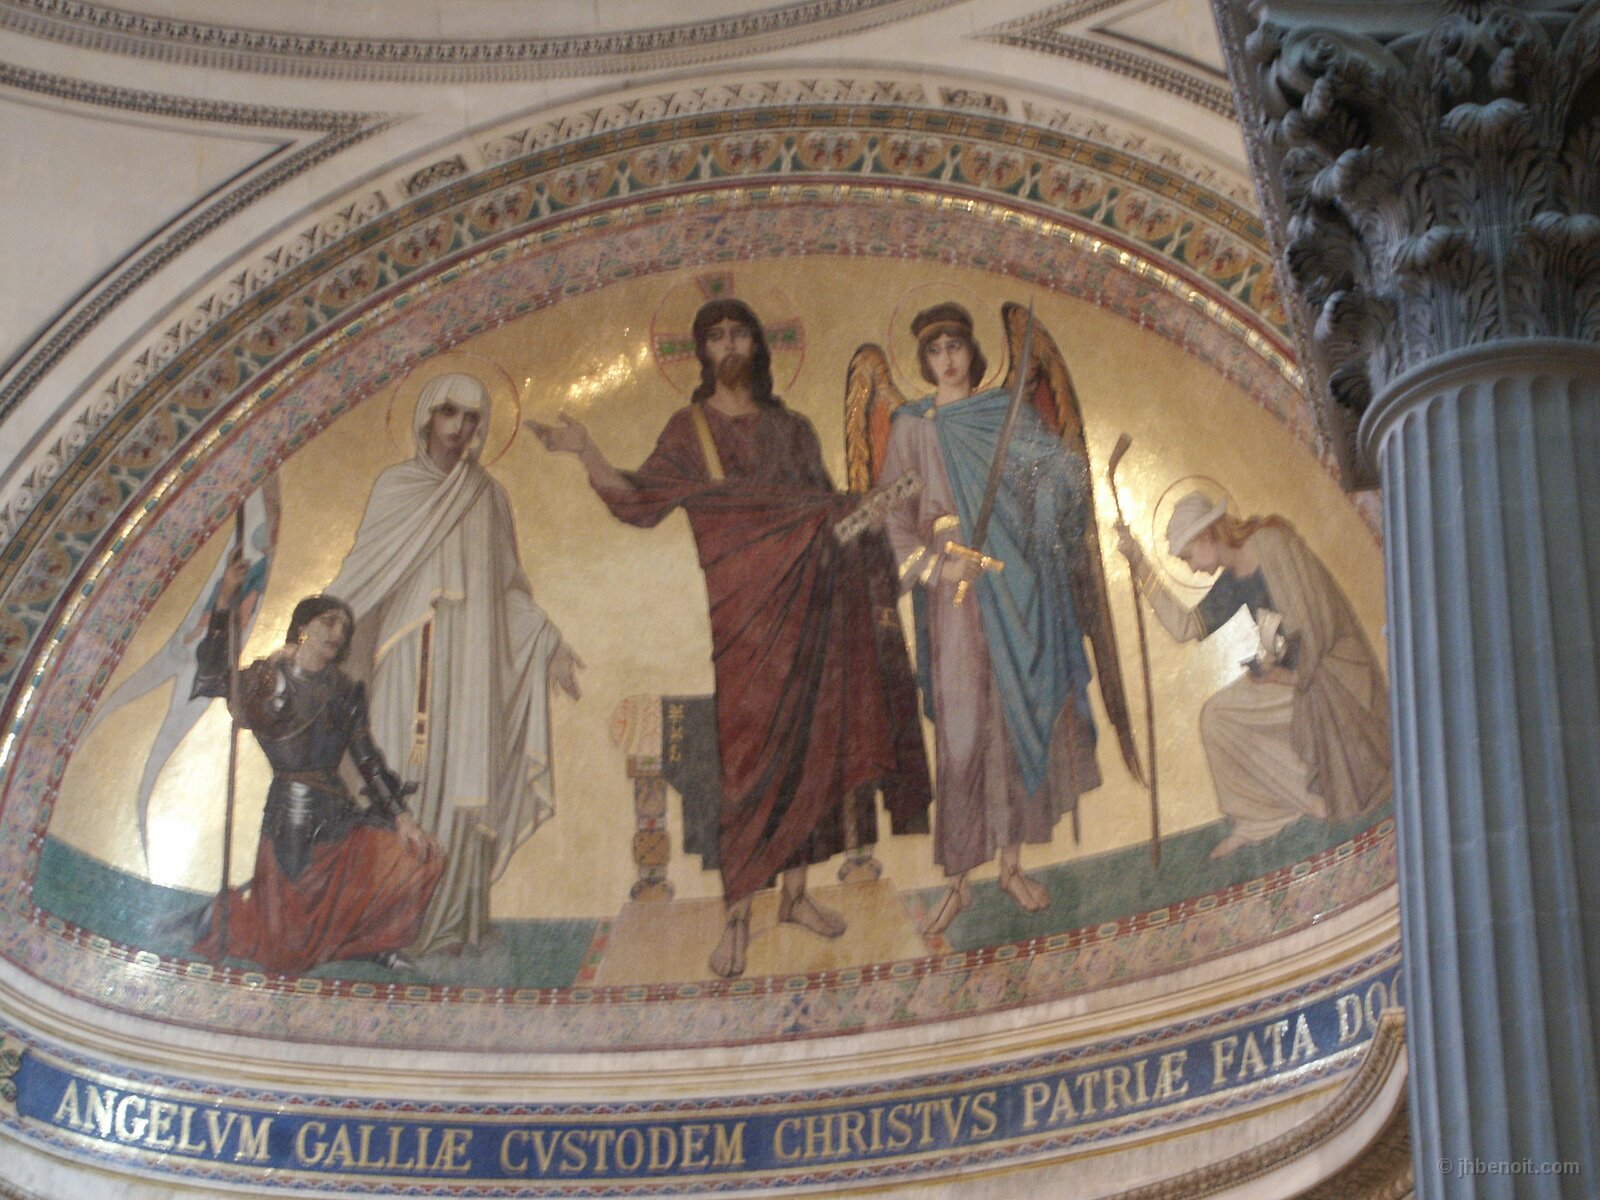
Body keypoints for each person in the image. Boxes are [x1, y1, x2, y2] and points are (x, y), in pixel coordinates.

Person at [530, 299, 931, 978]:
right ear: (702, 352)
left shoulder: (793, 429)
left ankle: (796, 898)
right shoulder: (690, 432)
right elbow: (637, 501)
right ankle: (738, 918)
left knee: (813, 753)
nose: (729, 345)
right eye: (715, 337)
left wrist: (877, 508)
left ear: (757, 345)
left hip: (813, 609)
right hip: (744, 619)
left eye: (738, 333)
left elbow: (829, 516)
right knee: (746, 767)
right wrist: (587, 452)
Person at [327, 373, 582, 956]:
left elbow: (508, 589)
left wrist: (548, 641)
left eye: (471, 418)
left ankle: (446, 927)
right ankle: (384, 924)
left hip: (471, 669)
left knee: (464, 779)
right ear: (426, 417)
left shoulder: (488, 497)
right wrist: (310, 637)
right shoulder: (395, 487)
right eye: (449, 413)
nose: (460, 427)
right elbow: (362, 575)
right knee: (395, 771)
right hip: (404, 660)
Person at [877, 302, 1104, 935]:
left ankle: (1010, 865)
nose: (946, 359)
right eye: (934, 350)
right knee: (962, 733)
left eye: (954, 345)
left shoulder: (1006, 414)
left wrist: (1048, 500)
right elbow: (890, 515)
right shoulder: (913, 428)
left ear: (971, 351)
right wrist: (935, 568)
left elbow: (1062, 472)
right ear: (923, 360)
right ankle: (957, 880)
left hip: (1016, 585)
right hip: (955, 598)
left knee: (1013, 721)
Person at [192, 560, 443, 973]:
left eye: (344, 627)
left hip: (337, 812)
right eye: (329, 622)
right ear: (303, 627)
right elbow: (212, 679)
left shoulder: (344, 690)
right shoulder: (267, 679)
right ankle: (241, 921)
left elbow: (366, 758)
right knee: (287, 949)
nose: (338, 632)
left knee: (421, 857)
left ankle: (365, 945)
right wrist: (223, 602)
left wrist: (402, 817)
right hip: (290, 813)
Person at [1115, 491, 1391, 857]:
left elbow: (1318, 622)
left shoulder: (1272, 544)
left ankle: (1326, 793)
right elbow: (1184, 627)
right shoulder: (1231, 581)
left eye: (1189, 556)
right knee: (1217, 717)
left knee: (1257, 708)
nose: (1192, 568)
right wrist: (1139, 565)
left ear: (1206, 535)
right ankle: (1262, 817)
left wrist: (1285, 673)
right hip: (1293, 673)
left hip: (1330, 672)